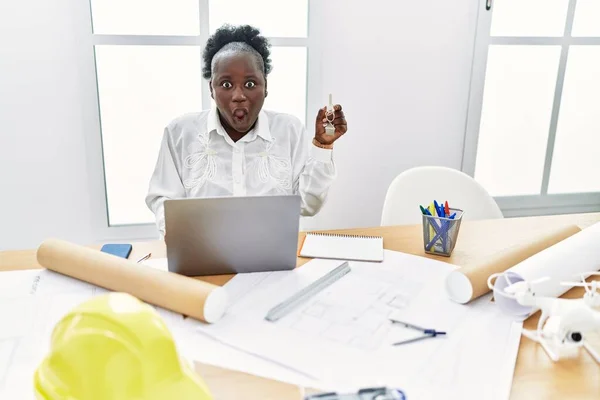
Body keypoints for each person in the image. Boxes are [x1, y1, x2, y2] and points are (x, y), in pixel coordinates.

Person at [145, 24, 348, 236]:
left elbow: (308, 205)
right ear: (211, 89)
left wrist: (323, 146)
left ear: (265, 86)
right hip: (203, 256)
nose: (238, 95)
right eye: (226, 85)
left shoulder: (289, 130)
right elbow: (163, 200)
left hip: (273, 255)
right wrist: (181, 240)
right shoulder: (180, 132)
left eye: (250, 84)